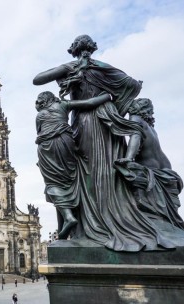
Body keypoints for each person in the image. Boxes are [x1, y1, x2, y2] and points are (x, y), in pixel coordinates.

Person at [33, 34, 178, 251]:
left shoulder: (72, 67)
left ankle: (96, 226)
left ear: (74, 50)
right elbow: (131, 85)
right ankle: (111, 218)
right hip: (108, 121)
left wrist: (71, 68)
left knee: (88, 171)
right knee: (106, 171)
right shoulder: (104, 67)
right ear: (91, 49)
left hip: (85, 122)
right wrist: (112, 98)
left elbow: (38, 79)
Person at [35, 91, 112, 239]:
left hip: (46, 148)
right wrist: (108, 95)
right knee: (69, 179)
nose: (36, 104)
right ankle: (66, 224)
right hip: (66, 143)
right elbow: (89, 103)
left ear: (45, 100)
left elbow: (40, 133)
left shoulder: (40, 115)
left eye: (38, 100)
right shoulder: (63, 105)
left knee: (52, 184)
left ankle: (69, 217)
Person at [114, 98, 184, 231]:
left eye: (135, 104)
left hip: (150, 170)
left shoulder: (135, 119)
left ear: (138, 108)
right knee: (167, 217)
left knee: (151, 213)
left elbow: (135, 136)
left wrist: (128, 158)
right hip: (167, 171)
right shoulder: (151, 127)